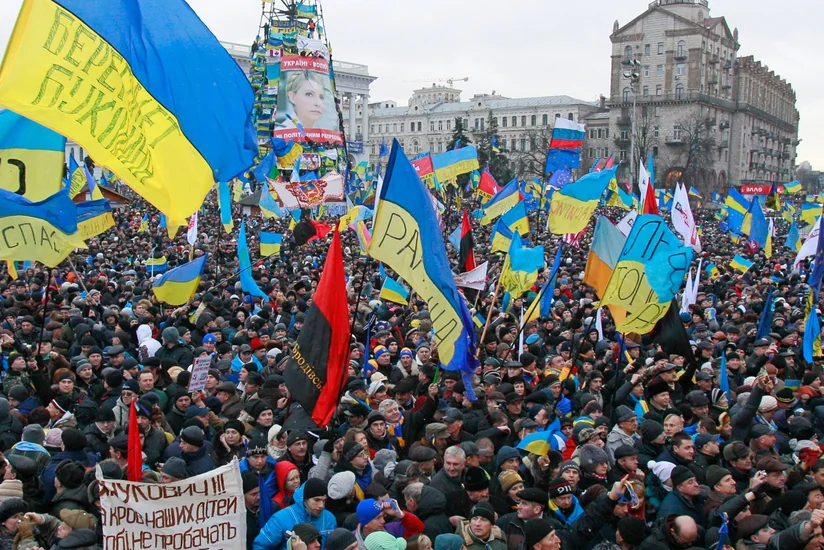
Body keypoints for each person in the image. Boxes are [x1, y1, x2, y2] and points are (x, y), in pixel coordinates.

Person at [254, 478, 337, 550]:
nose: (321, 505)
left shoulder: (329, 518)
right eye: (317, 500)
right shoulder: (281, 519)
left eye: (324, 500)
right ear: (304, 499)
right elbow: (261, 546)